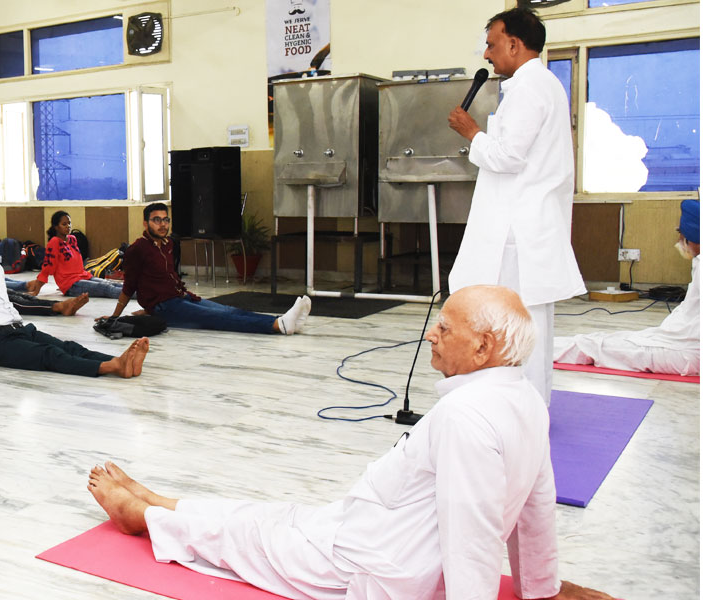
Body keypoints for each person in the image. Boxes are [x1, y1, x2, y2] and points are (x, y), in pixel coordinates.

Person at [86, 285, 613, 600]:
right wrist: (541, 588)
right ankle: (157, 499)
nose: (431, 333)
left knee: (244, 535)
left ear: (483, 345)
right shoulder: (522, 399)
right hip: (367, 533)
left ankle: (145, 518)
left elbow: (470, 534)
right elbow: (537, 504)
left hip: (366, 564)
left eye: (445, 328)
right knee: (258, 514)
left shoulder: (468, 417)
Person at [447, 7, 585, 405]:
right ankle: (523, 407)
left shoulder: (529, 88)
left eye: (491, 45)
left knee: (517, 326)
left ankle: (522, 410)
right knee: (524, 326)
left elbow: (509, 157)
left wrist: (471, 132)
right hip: (526, 226)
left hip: (519, 232)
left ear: (514, 43)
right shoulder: (540, 85)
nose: (487, 55)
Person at [0, 221, 147, 378]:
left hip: (21, 329)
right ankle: (112, 367)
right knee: (51, 354)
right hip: (0, 345)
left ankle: (117, 361)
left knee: (69, 346)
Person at [106, 203, 310, 335]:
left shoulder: (167, 244)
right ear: (145, 223)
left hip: (180, 298)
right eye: (156, 220)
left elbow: (165, 279)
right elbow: (129, 286)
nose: (162, 224)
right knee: (221, 319)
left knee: (229, 309)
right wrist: (116, 316)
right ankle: (278, 326)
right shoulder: (137, 249)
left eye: (165, 220)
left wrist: (148, 307)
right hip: (167, 307)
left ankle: (281, 320)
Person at [554, 200, 700, 376]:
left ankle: (534, 350)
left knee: (594, 346)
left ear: (693, 235)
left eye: (680, 233)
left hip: (686, 353)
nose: (679, 240)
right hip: (683, 345)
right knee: (613, 340)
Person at [28, 210, 123, 299]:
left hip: (83, 276)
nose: (68, 226)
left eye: (69, 223)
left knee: (109, 283)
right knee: (106, 288)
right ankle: (135, 295)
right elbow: (48, 267)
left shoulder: (72, 239)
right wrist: (37, 291)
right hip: (71, 284)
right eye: (64, 224)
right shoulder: (54, 242)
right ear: (56, 227)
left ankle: (135, 289)